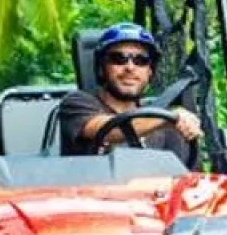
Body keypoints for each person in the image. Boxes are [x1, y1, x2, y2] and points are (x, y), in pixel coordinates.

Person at [56, 24, 202, 158]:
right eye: (118, 58)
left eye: (141, 60)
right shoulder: (77, 104)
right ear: (101, 68)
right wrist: (167, 118)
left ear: (150, 71)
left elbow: (185, 173)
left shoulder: (166, 125)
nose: (130, 68)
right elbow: (104, 130)